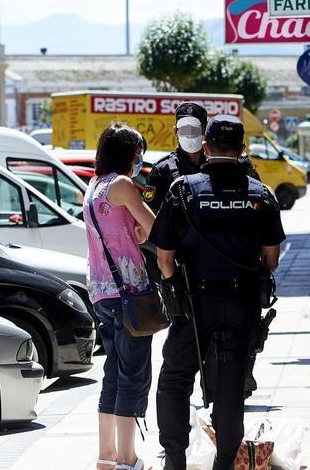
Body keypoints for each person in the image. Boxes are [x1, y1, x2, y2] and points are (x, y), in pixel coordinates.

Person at [151, 115, 285, 470]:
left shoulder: (183, 189)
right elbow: (271, 260)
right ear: (242, 150)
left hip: (195, 302)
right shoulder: (261, 194)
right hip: (241, 303)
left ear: (206, 148)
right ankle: (224, 463)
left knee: (175, 378)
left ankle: (175, 459)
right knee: (230, 384)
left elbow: (164, 257)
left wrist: (178, 293)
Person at [85, 123, 157, 470]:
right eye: (138, 153)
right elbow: (155, 227)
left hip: (101, 292)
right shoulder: (122, 185)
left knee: (112, 373)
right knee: (133, 375)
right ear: (130, 155)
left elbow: (118, 231)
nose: (140, 160)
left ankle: (106, 456)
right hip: (129, 292)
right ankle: (128, 460)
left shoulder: (93, 186)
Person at [143, 102, 259, 215]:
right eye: (184, 129)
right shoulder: (163, 169)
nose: (189, 134)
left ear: (205, 130)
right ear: (175, 131)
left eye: (195, 129)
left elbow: (257, 203)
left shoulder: (226, 163)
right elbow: (150, 214)